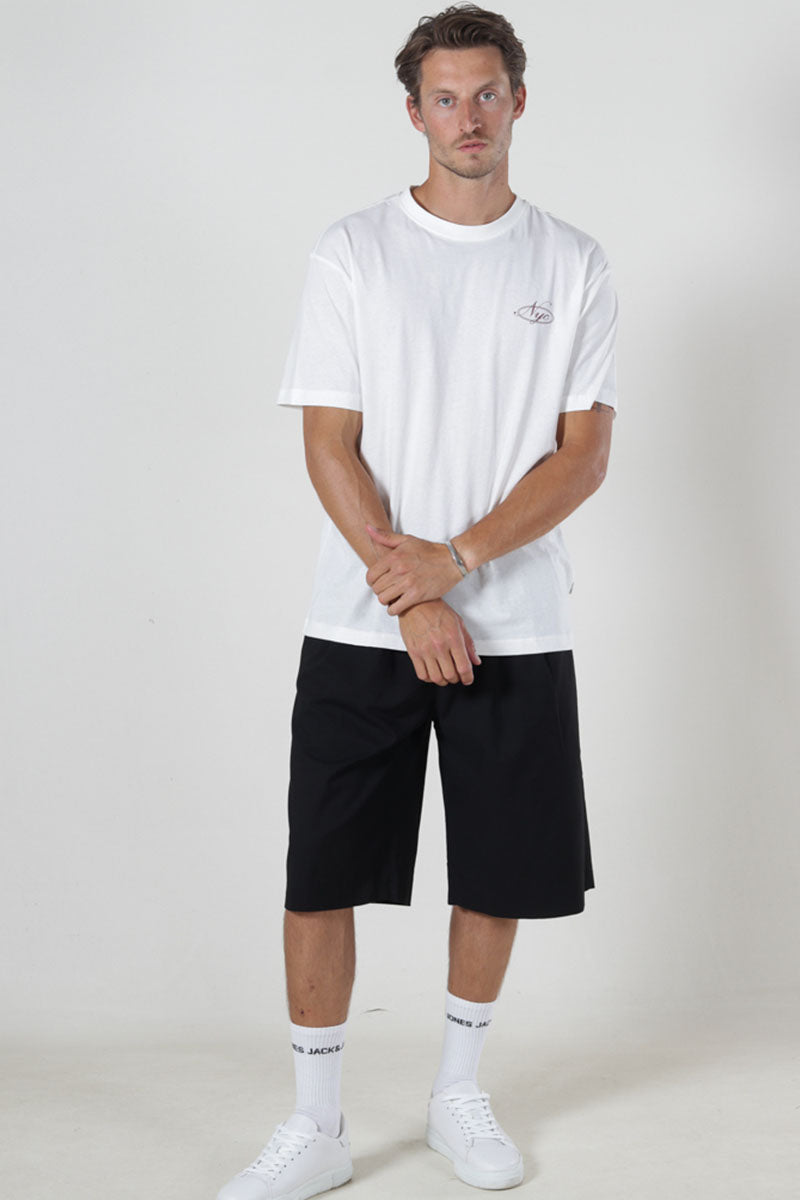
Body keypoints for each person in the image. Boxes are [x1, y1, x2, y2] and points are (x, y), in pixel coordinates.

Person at [217, 4, 618, 1197]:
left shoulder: (572, 262)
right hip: (360, 620)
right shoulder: (352, 250)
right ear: (413, 113)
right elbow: (328, 443)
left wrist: (459, 564)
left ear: (518, 100)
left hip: (516, 620)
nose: (467, 117)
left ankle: (454, 1096)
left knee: (497, 867)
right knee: (321, 868)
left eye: (486, 93)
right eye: (444, 98)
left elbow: (580, 456)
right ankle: (317, 1124)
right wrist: (411, 595)